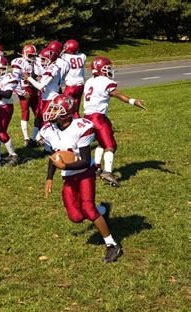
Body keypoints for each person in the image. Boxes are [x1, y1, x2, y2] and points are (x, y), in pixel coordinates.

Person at [40, 94, 121, 263]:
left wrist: (66, 166)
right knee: (76, 217)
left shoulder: (81, 127)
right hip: (68, 176)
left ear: (68, 113)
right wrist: (49, 178)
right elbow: (53, 156)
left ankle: (112, 244)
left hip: (85, 173)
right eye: (53, 108)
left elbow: (84, 161)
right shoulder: (49, 130)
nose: (52, 112)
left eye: (57, 109)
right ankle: (103, 210)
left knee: (88, 209)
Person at [83, 56, 147, 187]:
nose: (109, 70)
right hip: (98, 117)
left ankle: (96, 167)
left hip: (87, 117)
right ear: (101, 69)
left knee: (101, 143)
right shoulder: (105, 81)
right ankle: (107, 172)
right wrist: (133, 101)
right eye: (107, 68)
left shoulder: (89, 81)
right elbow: (116, 94)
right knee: (110, 145)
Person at [26, 48, 62, 140]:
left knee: (48, 123)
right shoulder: (54, 67)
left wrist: (29, 78)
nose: (41, 61)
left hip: (50, 99)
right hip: (49, 97)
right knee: (46, 121)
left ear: (50, 59)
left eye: (43, 59)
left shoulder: (51, 69)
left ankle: (50, 146)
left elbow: (40, 86)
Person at [11, 44, 41, 147]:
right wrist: (22, 92)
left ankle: (36, 137)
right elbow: (14, 80)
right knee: (25, 112)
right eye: (30, 55)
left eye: (33, 55)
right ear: (24, 54)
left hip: (33, 88)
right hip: (24, 89)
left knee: (39, 112)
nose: (32, 57)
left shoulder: (35, 62)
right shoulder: (19, 62)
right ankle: (26, 138)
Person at [61, 39, 86, 117]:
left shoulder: (65, 56)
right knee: (76, 109)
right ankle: (77, 123)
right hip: (80, 84)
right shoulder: (82, 56)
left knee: (65, 106)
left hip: (71, 86)